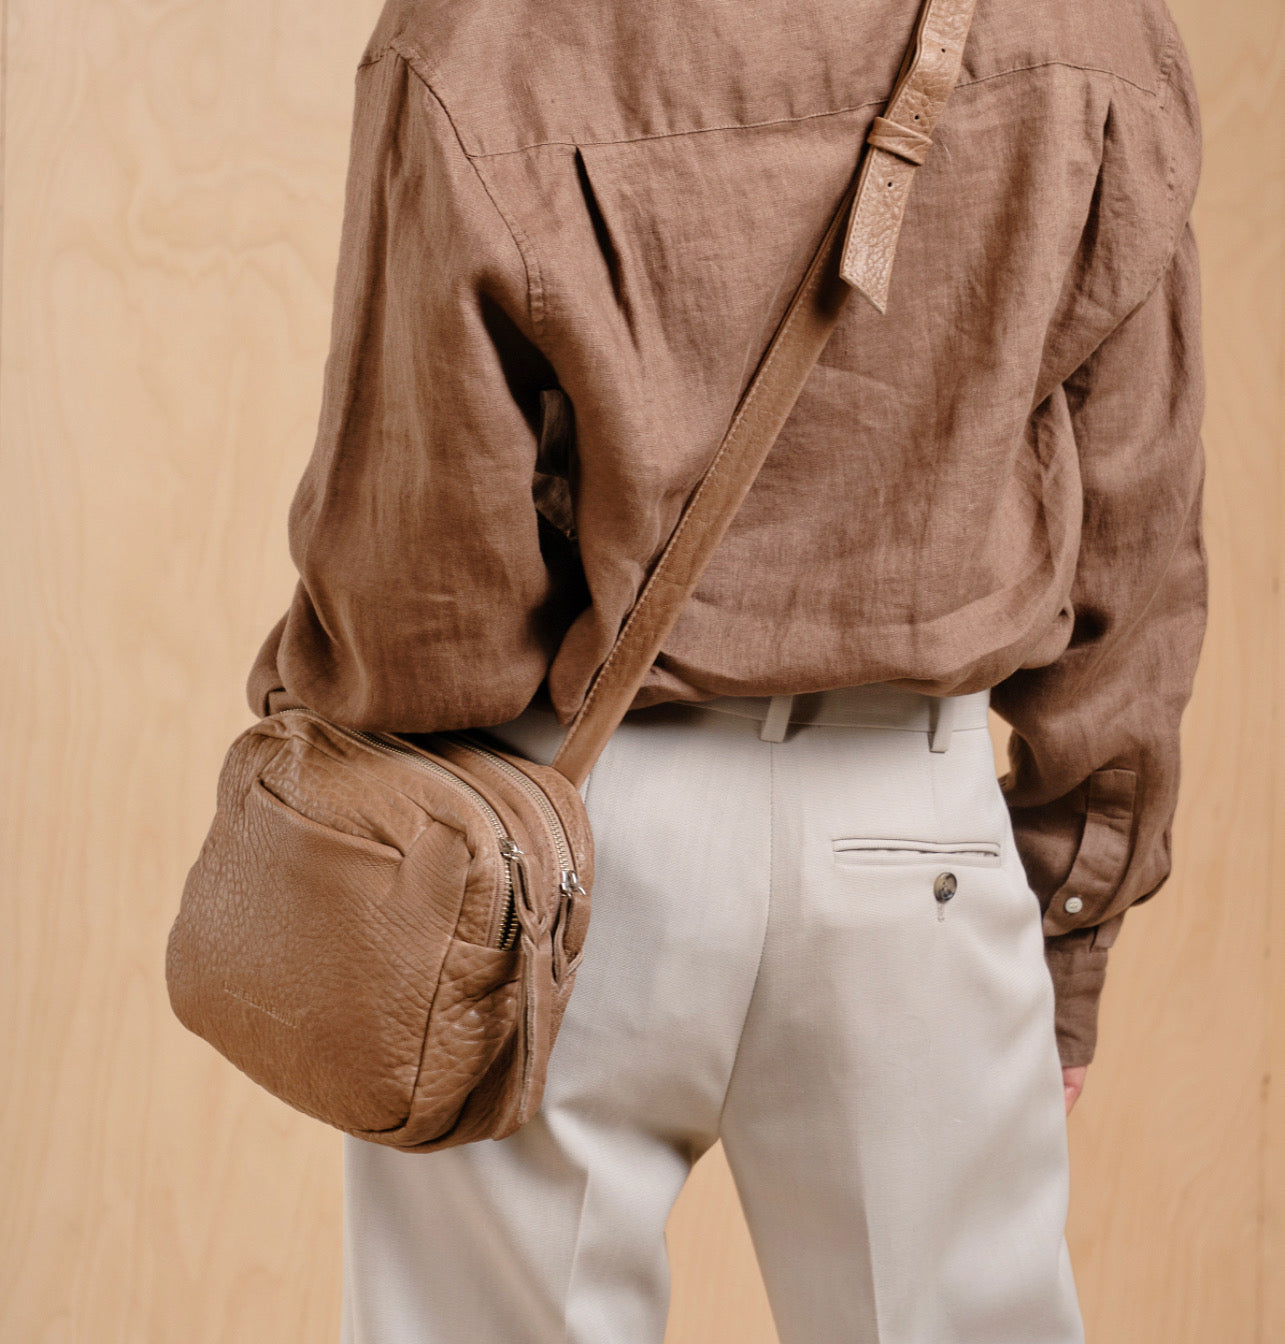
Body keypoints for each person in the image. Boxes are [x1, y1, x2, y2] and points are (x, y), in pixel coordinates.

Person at [246, 0, 1206, 1338]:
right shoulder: (1091, 27)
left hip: (560, 827)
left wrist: (350, 771)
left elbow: (416, 575)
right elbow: (1135, 529)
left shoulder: (479, 29)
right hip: (916, 838)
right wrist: (1072, 917)